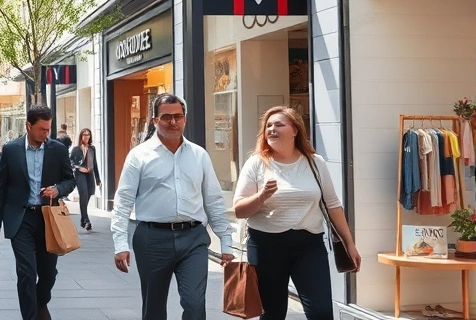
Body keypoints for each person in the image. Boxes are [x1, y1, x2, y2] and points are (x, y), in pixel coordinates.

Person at [111, 93, 234, 320]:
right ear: (155, 120)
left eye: (178, 116)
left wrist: (226, 241)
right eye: (166, 117)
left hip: (194, 238)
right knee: (154, 308)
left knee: (195, 304)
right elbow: (122, 202)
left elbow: (214, 200)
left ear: (185, 119)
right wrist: (120, 244)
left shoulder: (199, 155)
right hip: (152, 239)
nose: (173, 122)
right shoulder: (139, 156)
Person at [234, 107, 361, 320]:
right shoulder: (256, 163)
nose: (272, 129)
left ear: (295, 130)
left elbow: (333, 205)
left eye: (279, 125)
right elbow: (239, 210)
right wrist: (262, 196)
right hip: (266, 246)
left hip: (309, 245)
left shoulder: (315, 162)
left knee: (321, 312)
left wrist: (349, 243)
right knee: (273, 314)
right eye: (269, 126)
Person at [0, 104, 76, 320]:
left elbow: (70, 180)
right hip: (21, 218)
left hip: (49, 219)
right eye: (42, 129)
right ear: (28, 126)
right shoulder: (11, 150)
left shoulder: (57, 149)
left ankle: (40, 303)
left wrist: (57, 190)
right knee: (26, 273)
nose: (46, 134)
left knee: (48, 274)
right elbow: (1, 187)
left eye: (49, 129)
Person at [69, 128, 101, 231]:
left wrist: (98, 178)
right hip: (80, 174)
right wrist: (79, 168)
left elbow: (94, 163)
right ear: (81, 136)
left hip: (89, 173)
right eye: (84, 135)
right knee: (83, 194)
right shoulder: (76, 149)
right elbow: (71, 163)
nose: (86, 137)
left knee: (90, 192)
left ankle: (83, 217)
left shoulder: (92, 148)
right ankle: (86, 220)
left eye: (88, 135)